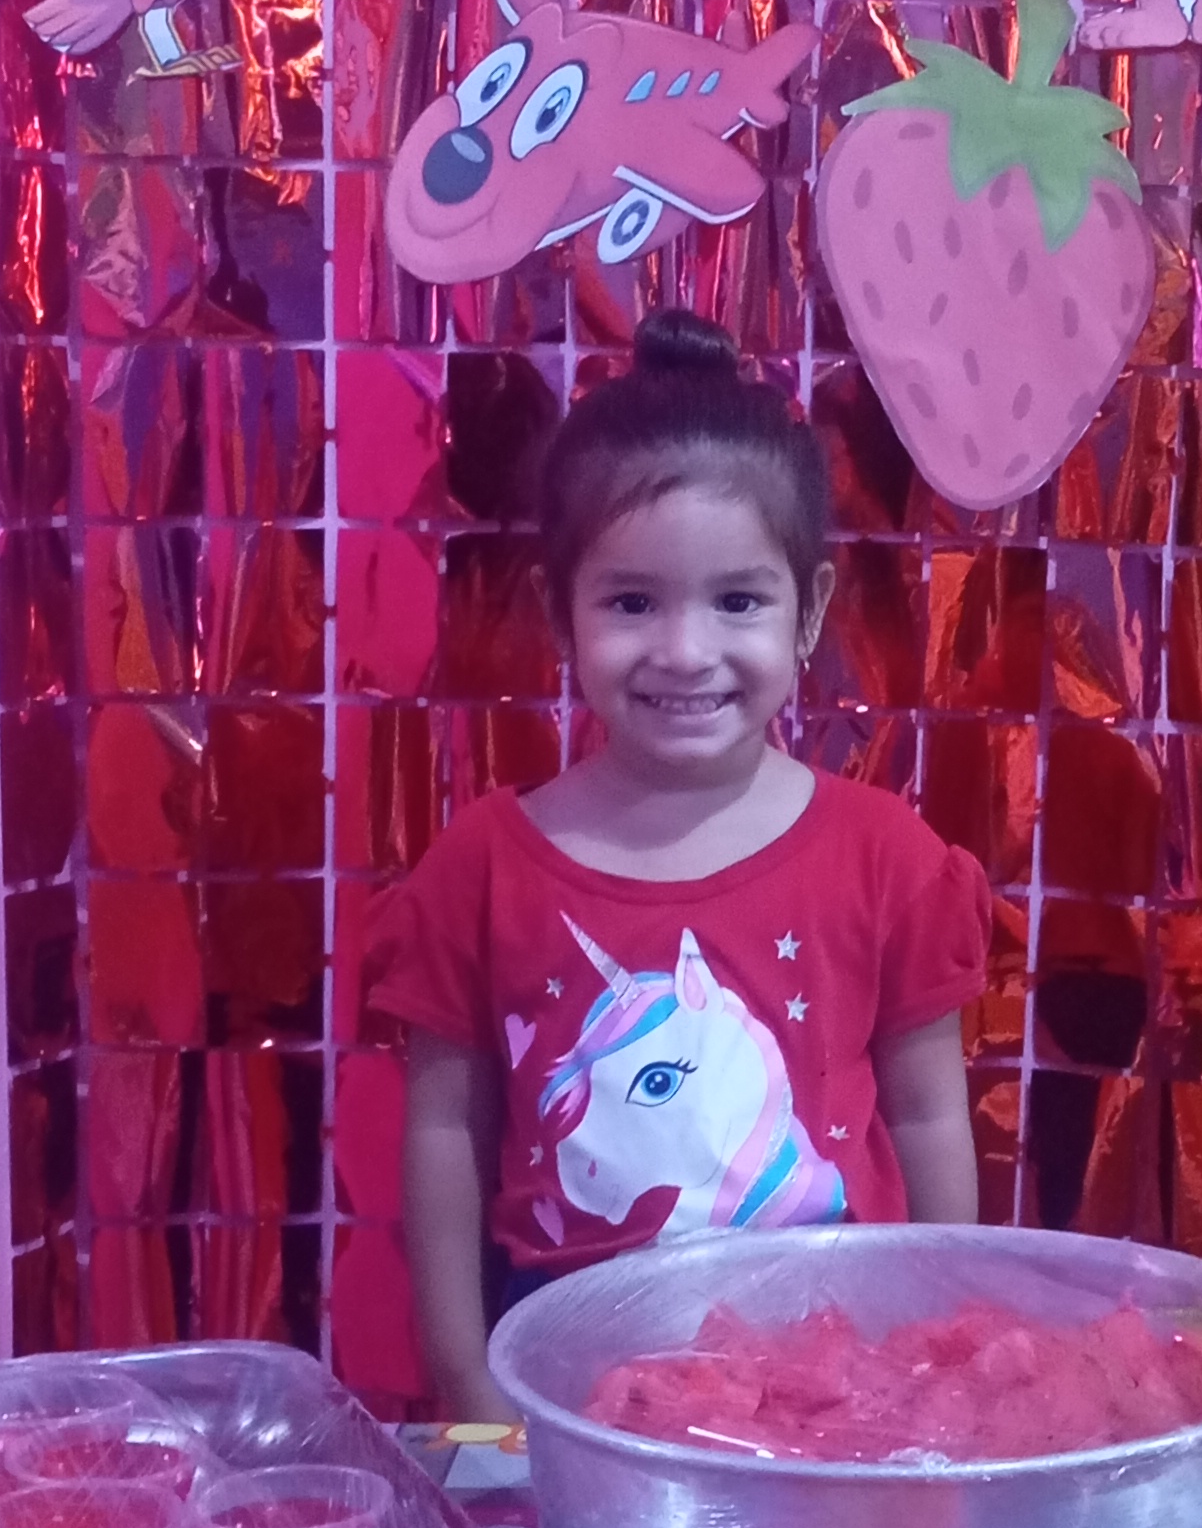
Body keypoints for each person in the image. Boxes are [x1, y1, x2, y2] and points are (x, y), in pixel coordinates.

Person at [367, 305, 990, 1416]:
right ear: (560, 614)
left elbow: (930, 1117)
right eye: (632, 603)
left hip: (837, 1383)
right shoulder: (482, 868)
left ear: (809, 613)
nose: (685, 651)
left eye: (737, 601)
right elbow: (444, 1130)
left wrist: (944, 1350)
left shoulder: (887, 858)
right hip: (568, 1383)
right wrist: (465, 1378)